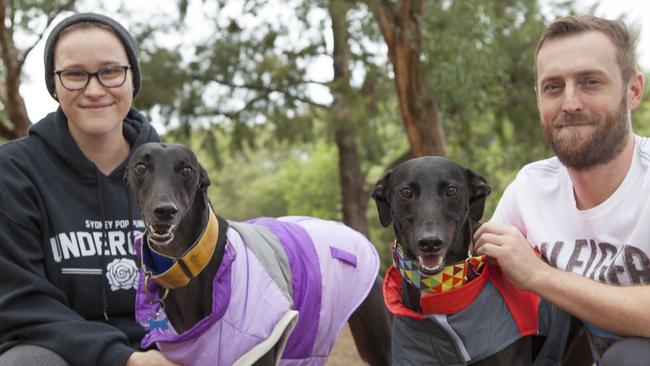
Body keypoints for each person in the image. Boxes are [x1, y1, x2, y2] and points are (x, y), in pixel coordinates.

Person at [0, 13, 178, 366]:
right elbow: (20, 301)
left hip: (165, 348)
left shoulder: (174, 170)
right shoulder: (14, 171)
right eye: (75, 74)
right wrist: (124, 359)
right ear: (55, 84)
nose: (95, 89)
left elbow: (205, 281)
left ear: (132, 78)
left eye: (110, 71)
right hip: (57, 349)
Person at [474, 15, 650, 366]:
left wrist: (539, 275)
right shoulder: (530, 189)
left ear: (633, 90)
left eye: (590, 82)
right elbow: (480, 289)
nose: (570, 103)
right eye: (553, 87)